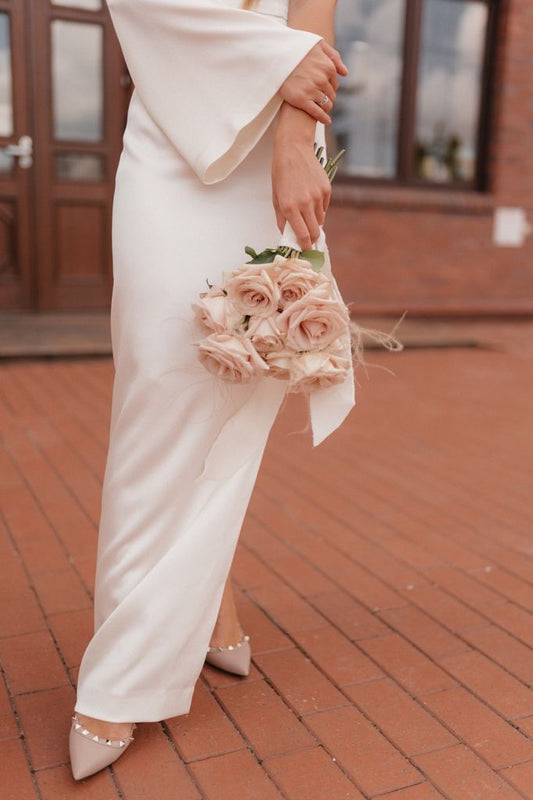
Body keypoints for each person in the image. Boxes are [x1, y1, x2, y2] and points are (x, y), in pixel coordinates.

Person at [69, 0, 351, 781]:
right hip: (175, 122)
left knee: (249, 378)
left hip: (277, 137)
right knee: (161, 388)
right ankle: (125, 670)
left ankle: (207, 588)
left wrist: (298, 133)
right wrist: (270, 60)